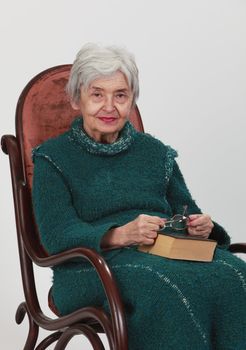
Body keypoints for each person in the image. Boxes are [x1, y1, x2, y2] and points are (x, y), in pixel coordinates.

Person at [32, 43, 246, 350]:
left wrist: (201, 226)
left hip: (164, 252)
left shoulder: (155, 152)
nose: (109, 106)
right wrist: (120, 235)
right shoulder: (52, 158)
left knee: (237, 274)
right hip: (89, 267)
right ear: (76, 98)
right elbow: (56, 235)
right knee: (167, 288)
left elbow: (186, 209)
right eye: (97, 94)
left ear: (132, 99)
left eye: (120, 95)